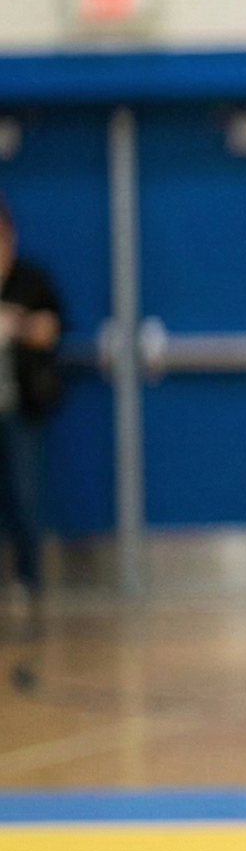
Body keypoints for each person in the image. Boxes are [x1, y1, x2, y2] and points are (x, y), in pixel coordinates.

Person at [0, 192, 62, 620]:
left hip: (19, 407)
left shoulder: (30, 280)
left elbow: (50, 329)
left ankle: (29, 578)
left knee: (24, 494)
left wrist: (14, 322)